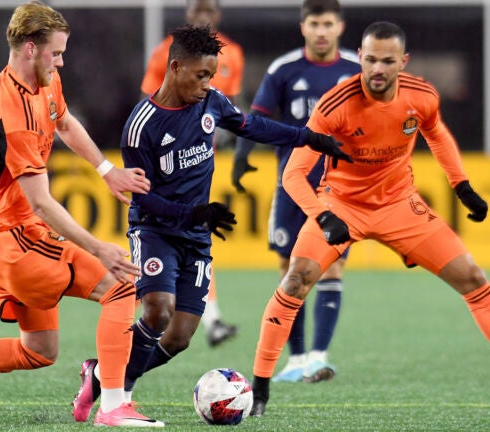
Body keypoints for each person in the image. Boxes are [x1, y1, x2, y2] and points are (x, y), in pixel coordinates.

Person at [249, 21, 490, 417]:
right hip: (342, 203)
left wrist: (462, 186)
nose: (376, 69)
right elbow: (292, 174)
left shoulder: (421, 96)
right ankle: (259, 394)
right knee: (296, 280)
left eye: (387, 61)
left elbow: (436, 134)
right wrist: (321, 216)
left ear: (402, 62)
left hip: (399, 205)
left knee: (473, 277)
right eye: (369, 59)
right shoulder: (335, 104)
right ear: (361, 57)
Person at [70, 24, 351, 424]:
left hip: (196, 234)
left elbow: (251, 126)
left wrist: (307, 137)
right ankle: (120, 399)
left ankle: (99, 376)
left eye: (211, 75)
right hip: (154, 230)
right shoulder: (142, 124)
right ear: (175, 67)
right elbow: (142, 197)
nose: (207, 84)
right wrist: (193, 214)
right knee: (157, 310)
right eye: (201, 75)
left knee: (180, 336)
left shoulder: (212, 103)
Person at [0, 1, 161, 427]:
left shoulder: (44, 80)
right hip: (18, 242)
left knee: (38, 350)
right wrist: (98, 247)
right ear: (28, 49)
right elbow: (41, 201)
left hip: (7, 240)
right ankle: (113, 405)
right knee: (120, 283)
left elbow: (66, 123)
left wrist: (107, 170)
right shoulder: (10, 111)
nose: (61, 61)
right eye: (55, 53)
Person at [231, 0, 359, 384]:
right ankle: (297, 359)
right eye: (315, 23)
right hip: (294, 182)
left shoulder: (357, 69)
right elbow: (257, 118)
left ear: (340, 27)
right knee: (289, 267)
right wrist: (241, 157)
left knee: (332, 264)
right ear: (303, 26)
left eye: (328, 24)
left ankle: (319, 356)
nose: (321, 31)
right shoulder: (284, 69)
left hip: (341, 186)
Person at [141, 0, 245, 347]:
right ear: (187, 15)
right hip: (170, 163)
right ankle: (194, 313)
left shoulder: (234, 54)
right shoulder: (163, 53)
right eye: (196, 9)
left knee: (196, 237)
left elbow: (227, 110)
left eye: (208, 10)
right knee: (182, 233)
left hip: (202, 161)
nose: (202, 16)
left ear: (218, 15)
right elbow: (150, 104)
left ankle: (204, 316)